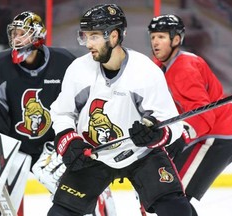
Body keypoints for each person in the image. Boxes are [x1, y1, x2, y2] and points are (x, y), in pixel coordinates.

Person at [49, 4, 192, 216]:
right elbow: (62, 112)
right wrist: (69, 141)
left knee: (178, 211)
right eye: (85, 36)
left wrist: (155, 134)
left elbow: (173, 124)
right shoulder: (79, 70)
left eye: (94, 36)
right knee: (60, 214)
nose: (88, 43)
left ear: (114, 36)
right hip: (94, 154)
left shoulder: (145, 72)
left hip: (141, 154)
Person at [0, 11, 115, 216]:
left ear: (38, 36)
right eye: (14, 33)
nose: (17, 38)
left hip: (52, 148)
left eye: (23, 33)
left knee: (86, 194)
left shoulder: (64, 62)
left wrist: (71, 143)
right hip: (11, 149)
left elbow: (81, 108)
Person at [148, 14, 232, 216]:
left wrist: (182, 137)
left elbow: (203, 114)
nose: (155, 42)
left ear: (176, 39)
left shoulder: (184, 68)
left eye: (161, 37)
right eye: (153, 37)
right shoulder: (160, 67)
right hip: (204, 132)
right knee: (168, 192)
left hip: (217, 135)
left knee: (173, 194)